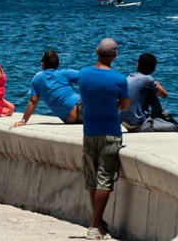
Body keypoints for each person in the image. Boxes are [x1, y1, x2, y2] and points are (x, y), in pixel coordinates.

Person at [78, 38, 129, 240]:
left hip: (89, 132)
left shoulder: (83, 74)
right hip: (110, 132)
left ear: (96, 51)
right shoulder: (119, 79)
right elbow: (125, 104)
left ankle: (98, 223)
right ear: (115, 56)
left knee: (92, 180)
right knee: (104, 180)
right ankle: (94, 226)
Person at [10, 50, 82, 128]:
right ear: (58, 63)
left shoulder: (37, 79)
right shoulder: (64, 73)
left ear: (43, 64)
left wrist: (23, 121)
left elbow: (33, 101)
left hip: (70, 119)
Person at [120, 53, 178, 132]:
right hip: (138, 124)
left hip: (123, 120)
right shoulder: (147, 79)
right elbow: (164, 94)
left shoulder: (129, 77)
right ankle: (162, 118)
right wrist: (157, 84)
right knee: (174, 127)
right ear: (153, 69)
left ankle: (160, 118)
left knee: (150, 93)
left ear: (137, 65)